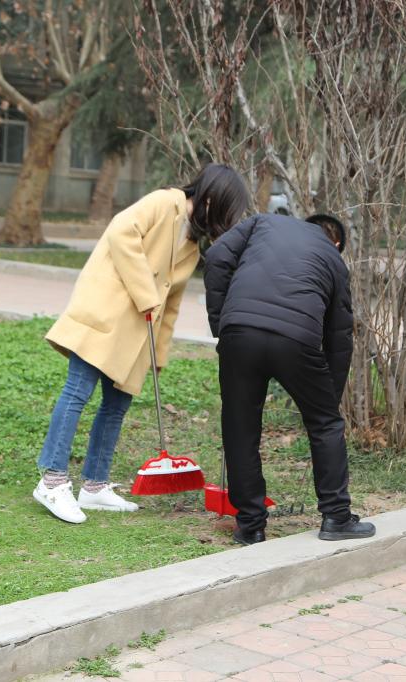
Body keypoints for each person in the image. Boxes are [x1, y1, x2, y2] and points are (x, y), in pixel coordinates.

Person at [34, 164, 250, 524]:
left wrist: (158, 354)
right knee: (77, 393)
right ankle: (52, 482)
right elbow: (121, 231)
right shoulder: (165, 202)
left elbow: (172, 304)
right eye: (227, 212)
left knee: (116, 406)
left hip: (137, 333)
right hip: (106, 313)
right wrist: (146, 293)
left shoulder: (192, 245)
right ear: (212, 200)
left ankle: (94, 486)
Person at [204, 211, 375, 545]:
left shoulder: (262, 223)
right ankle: (336, 517)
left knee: (240, 427)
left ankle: (250, 526)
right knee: (325, 425)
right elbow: (339, 337)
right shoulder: (334, 260)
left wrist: (221, 321)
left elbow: (216, 256)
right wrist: (328, 402)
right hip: (295, 340)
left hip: (239, 333)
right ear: (335, 242)